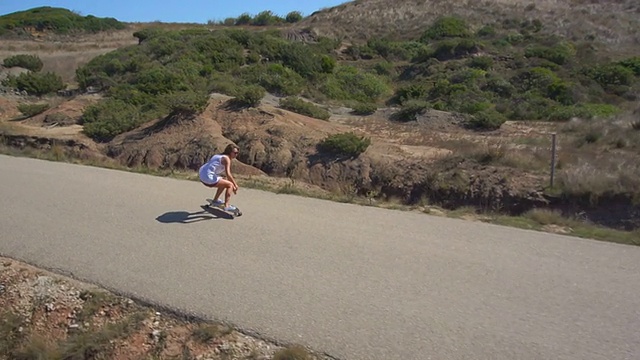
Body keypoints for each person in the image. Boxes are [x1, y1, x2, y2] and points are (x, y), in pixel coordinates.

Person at [199, 144, 240, 212]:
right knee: (230, 185)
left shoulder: (218, 156)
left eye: (237, 153)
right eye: (235, 153)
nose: (236, 154)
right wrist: (235, 185)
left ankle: (215, 200)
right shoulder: (227, 159)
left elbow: (213, 168)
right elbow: (228, 173)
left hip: (201, 174)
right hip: (208, 177)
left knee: (224, 180)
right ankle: (227, 206)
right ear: (229, 152)